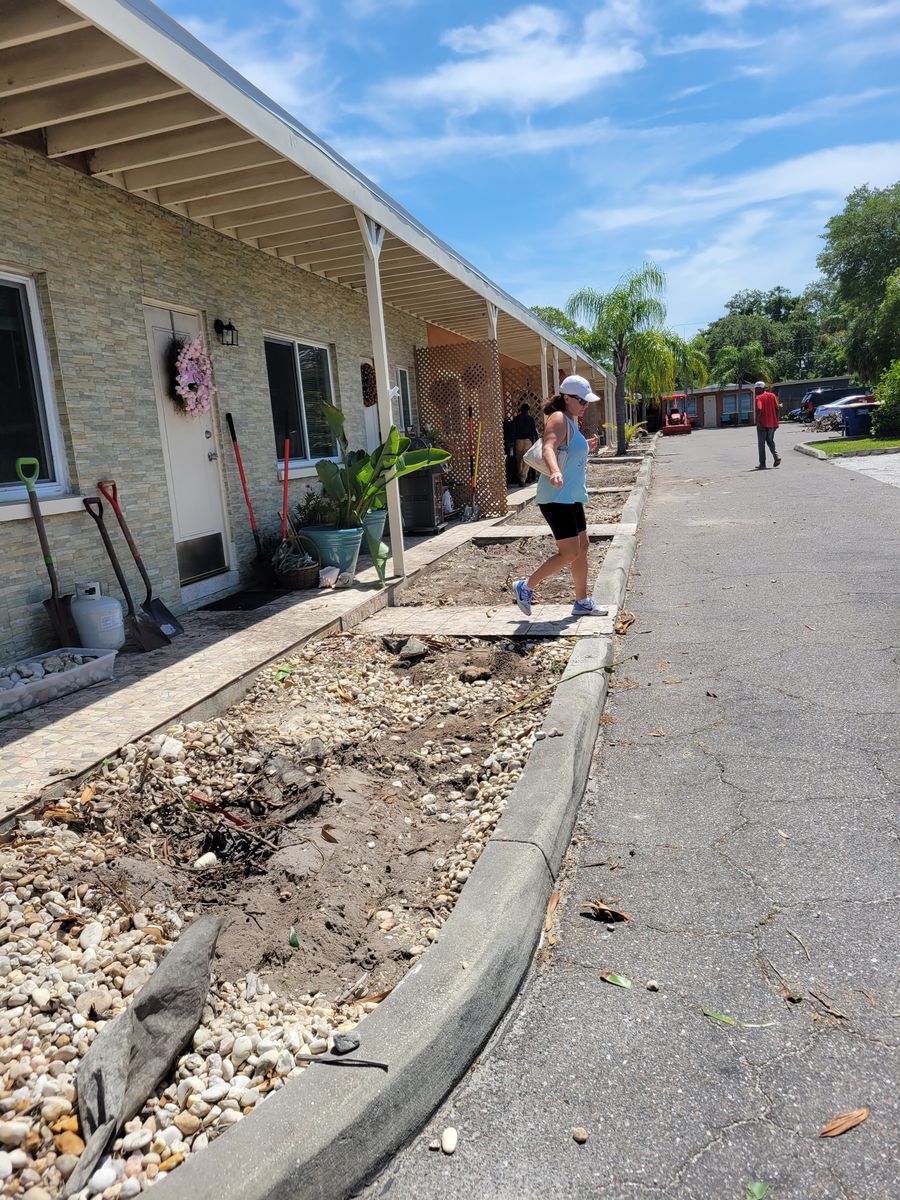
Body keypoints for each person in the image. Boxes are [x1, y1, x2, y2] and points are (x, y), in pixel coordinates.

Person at [512, 376, 603, 617]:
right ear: (567, 398)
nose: (585, 404)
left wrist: (587, 446)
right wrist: (554, 471)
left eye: (587, 401)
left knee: (583, 547)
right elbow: (548, 447)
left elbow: (567, 450)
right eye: (582, 400)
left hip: (571, 496)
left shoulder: (571, 421)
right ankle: (525, 586)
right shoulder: (559, 418)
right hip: (556, 497)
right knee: (570, 552)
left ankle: (582, 601)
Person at [754, 381, 781, 469]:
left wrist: (757, 422)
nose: (755, 390)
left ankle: (762, 464)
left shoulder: (759, 398)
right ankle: (776, 456)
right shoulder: (772, 396)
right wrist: (777, 421)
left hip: (762, 425)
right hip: (772, 424)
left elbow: (759, 409)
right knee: (770, 441)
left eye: (756, 389)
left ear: (759, 389)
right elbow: (777, 408)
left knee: (761, 445)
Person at [512, 402, 539, 486]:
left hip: (518, 441)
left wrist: (513, 441)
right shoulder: (530, 418)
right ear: (528, 410)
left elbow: (514, 430)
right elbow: (534, 431)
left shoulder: (516, 418)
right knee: (526, 461)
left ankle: (519, 477)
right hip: (528, 441)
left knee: (519, 460)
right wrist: (537, 440)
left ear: (521, 410)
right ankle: (523, 478)